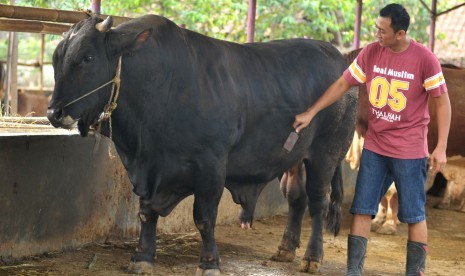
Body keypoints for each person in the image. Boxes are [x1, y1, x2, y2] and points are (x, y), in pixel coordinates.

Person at [292, 3, 451, 276]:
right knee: (362, 209)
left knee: (414, 215)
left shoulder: (425, 59)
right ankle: (353, 271)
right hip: (375, 147)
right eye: (376, 27)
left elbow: (442, 103)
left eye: (382, 30)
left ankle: (415, 272)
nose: (376, 33)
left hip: (410, 150)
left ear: (399, 34)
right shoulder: (371, 53)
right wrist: (311, 111)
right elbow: (343, 83)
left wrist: (441, 147)